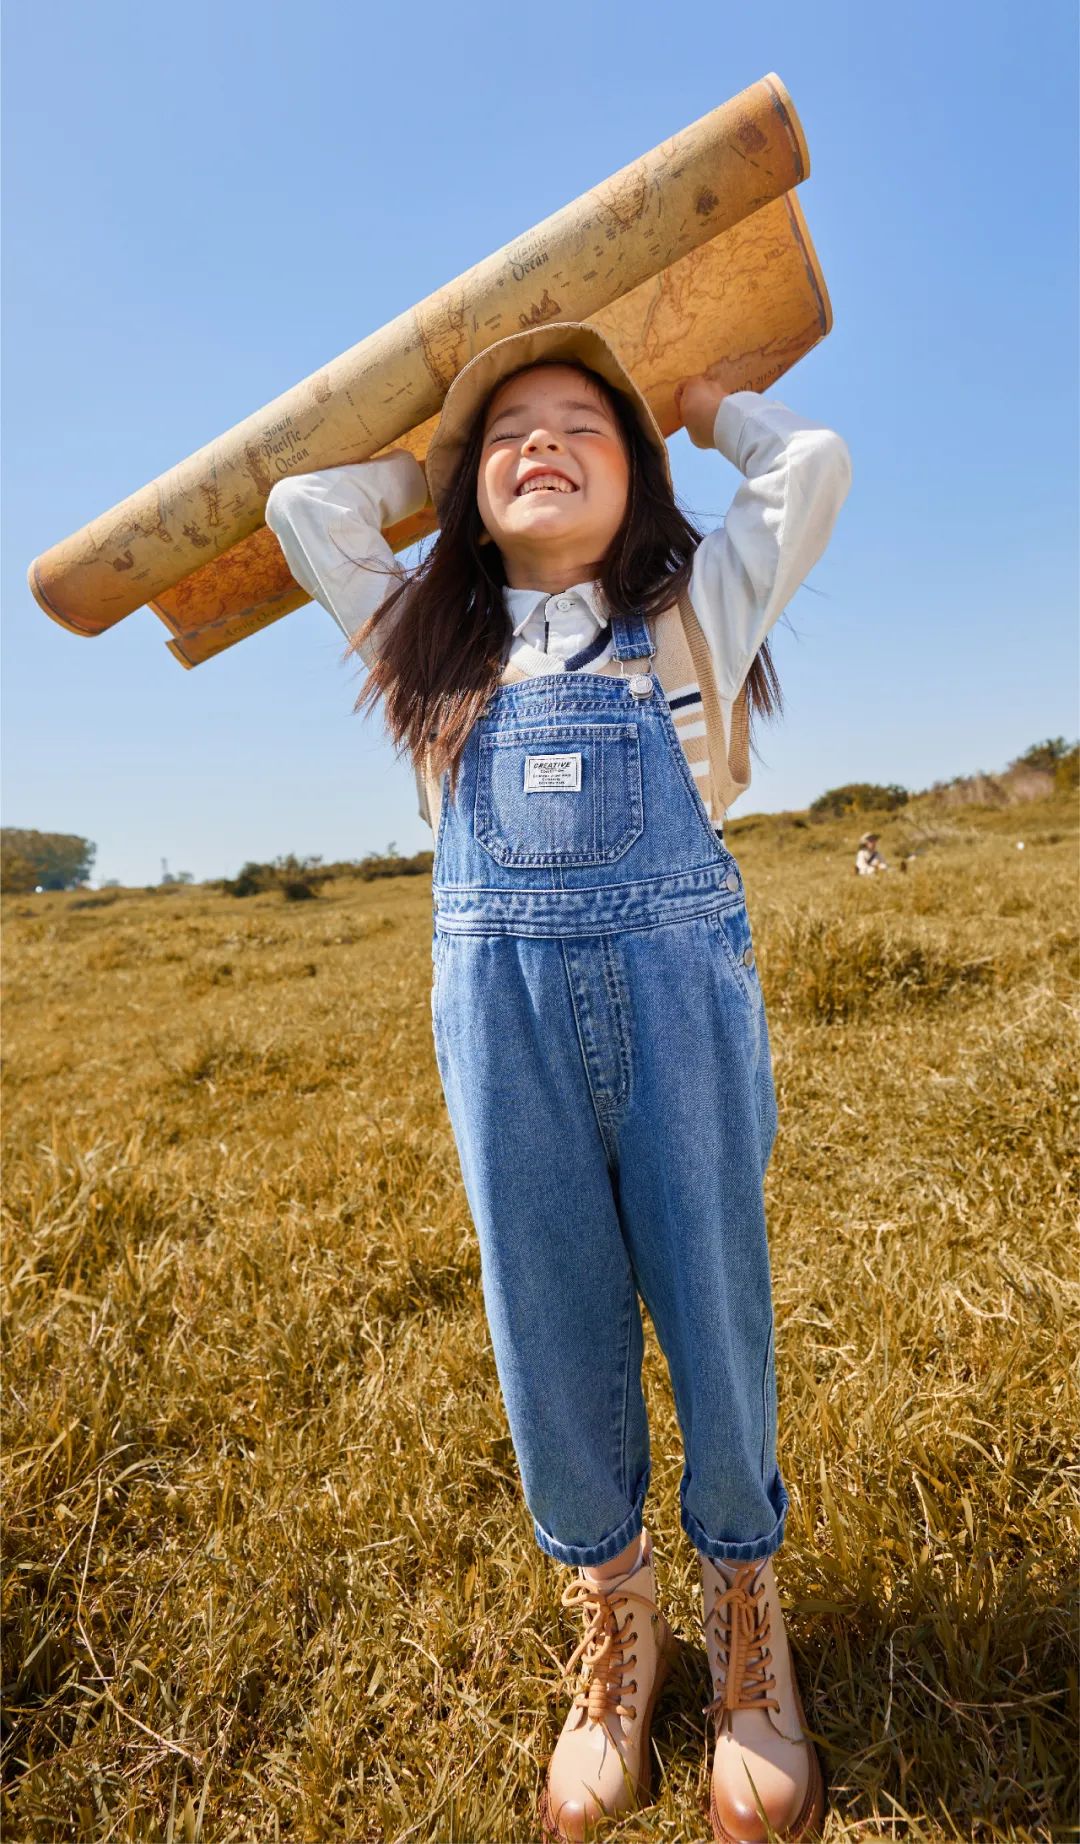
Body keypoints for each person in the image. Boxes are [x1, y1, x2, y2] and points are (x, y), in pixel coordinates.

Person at [266, 323, 852, 1844]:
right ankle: (616, 1625)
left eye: (579, 425)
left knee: (713, 1295)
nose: (539, 442)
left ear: (637, 472)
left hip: (679, 1019)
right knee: (544, 1313)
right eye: (507, 433)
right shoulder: (428, 646)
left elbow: (813, 470)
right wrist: (425, 451)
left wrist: (712, 403)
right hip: (503, 1037)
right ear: (469, 492)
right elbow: (301, 515)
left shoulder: (692, 615)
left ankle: (745, 1622)